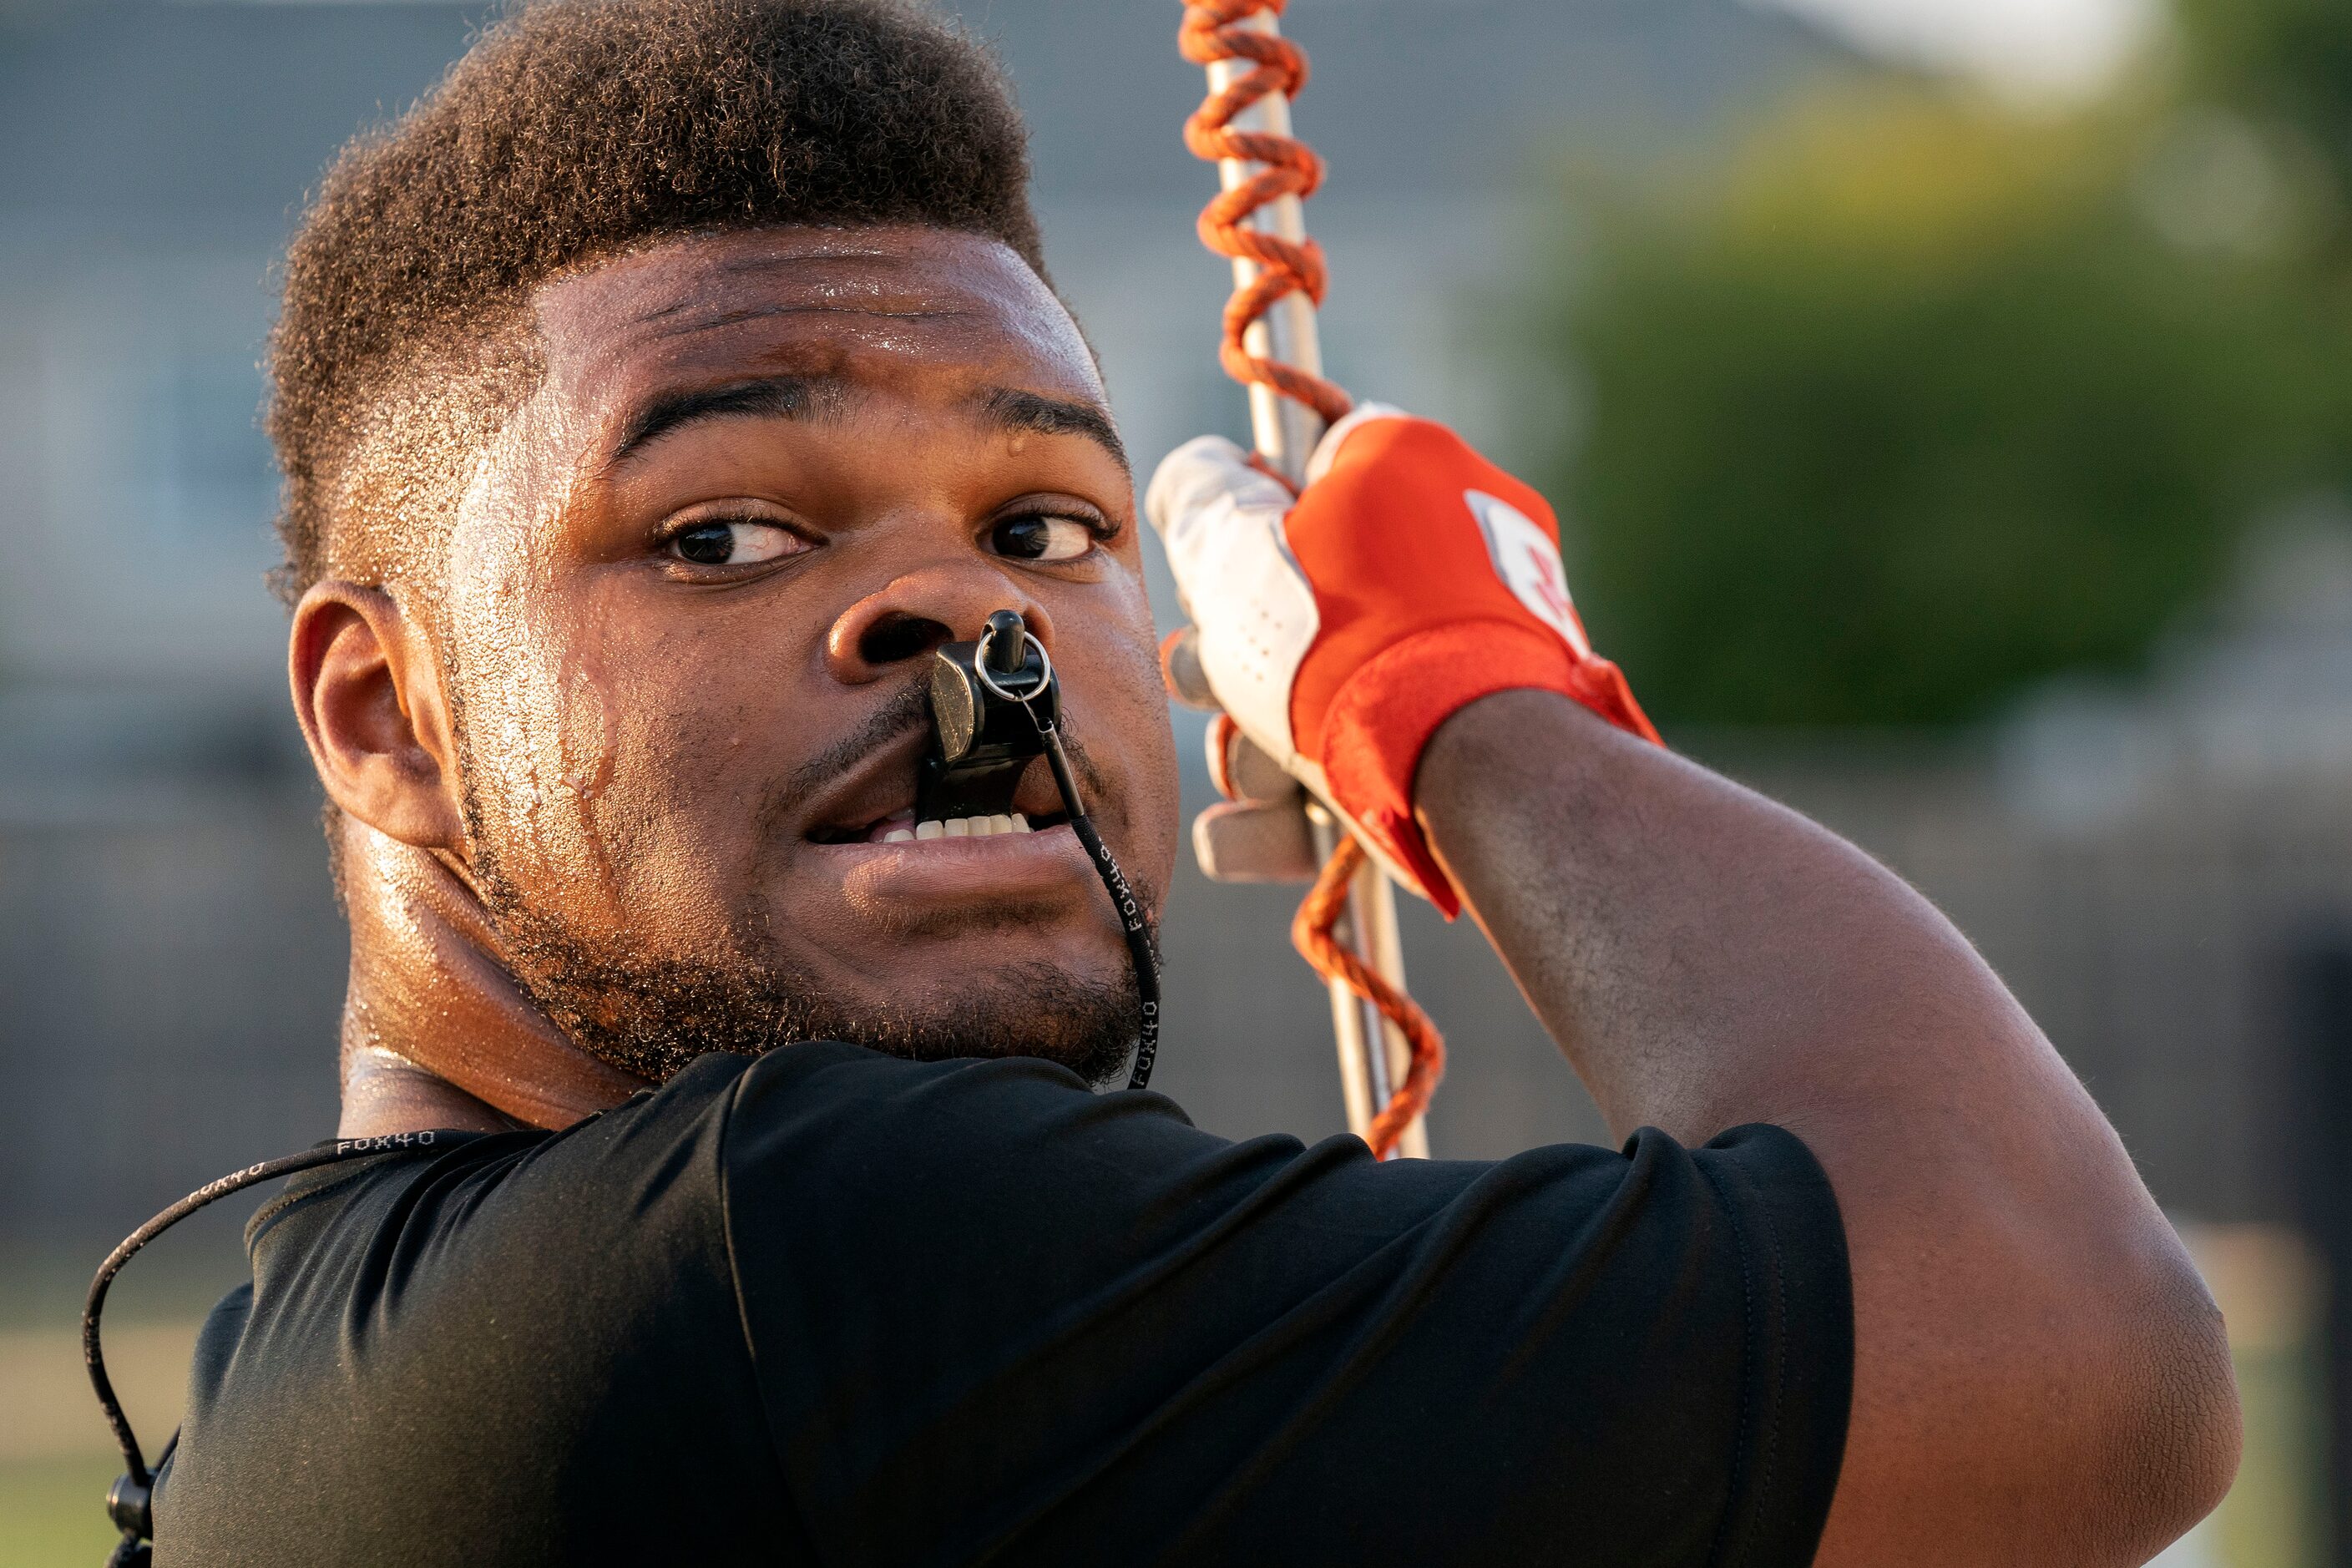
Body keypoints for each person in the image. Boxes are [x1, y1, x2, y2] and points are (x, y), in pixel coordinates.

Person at [149, 1, 2238, 1562]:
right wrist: (1462, 702)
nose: (960, 623)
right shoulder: (781, 1244)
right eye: (721, 536)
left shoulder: (291, 1383)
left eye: (1044, 527)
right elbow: (2067, 1344)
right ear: (379, 716)